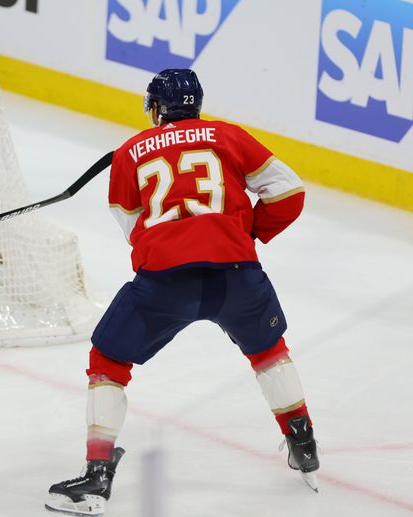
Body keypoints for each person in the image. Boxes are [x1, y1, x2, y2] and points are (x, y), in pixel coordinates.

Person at [45, 68, 318, 516]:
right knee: (269, 351)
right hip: (237, 275)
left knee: (108, 362)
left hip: (164, 283)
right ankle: (303, 443)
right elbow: (288, 192)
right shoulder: (229, 136)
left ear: (156, 107)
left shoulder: (132, 150)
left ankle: (97, 478)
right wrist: (244, 232)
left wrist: (170, 243)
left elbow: (131, 225)